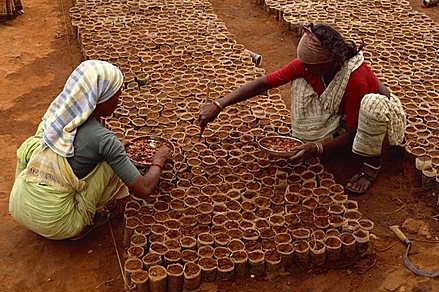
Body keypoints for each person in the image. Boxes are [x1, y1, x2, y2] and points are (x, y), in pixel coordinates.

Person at [199, 23, 406, 195]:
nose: (305, 68)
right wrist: (219, 104)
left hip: (374, 114)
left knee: (371, 109)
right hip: (343, 109)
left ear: (331, 62)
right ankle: (331, 137)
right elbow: (264, 83)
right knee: (299, 82)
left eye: (310, 66)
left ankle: (371, 165)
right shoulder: (309, 67)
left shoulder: (355, 80)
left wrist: (318, 147)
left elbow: (354, 132)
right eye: (304, 64)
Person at [9, 60, 171, 240]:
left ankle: (37, 202)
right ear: (100, 98)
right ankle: (83, 220)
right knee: (111, 165)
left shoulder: (56, 116)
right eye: (116, 95)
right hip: (59, 224)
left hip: (19, 207)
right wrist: (159, 160)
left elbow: (24, 152)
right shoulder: (104, 140)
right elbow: (144, 189)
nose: (119, 100)